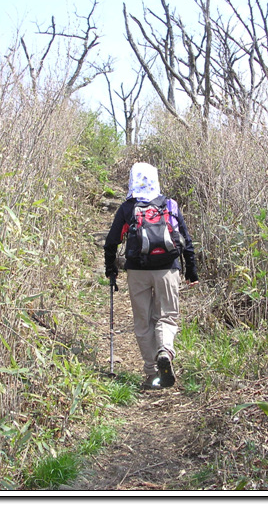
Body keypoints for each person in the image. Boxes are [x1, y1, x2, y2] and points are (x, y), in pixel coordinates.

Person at [104, 162, 199, 390]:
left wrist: (111, 269)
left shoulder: (128, 208)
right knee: (166, 316)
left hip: (137, 270)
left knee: (143, 322)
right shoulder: (170, 204)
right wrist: (191, 270)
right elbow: (186, 240)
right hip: (168, 269)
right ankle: (165, 350)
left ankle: (151, 373)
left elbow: (111, 242)